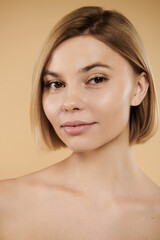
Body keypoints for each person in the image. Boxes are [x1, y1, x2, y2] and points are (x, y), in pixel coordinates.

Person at [0, 6, 160, 239]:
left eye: (96, 79)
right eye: (56, 84)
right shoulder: (6, 204)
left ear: (138, 89)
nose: (69, 102)